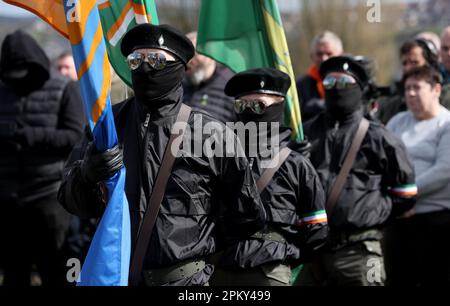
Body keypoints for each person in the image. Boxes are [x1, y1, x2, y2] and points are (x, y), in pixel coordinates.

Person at [58, 24, 266, 286]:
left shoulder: (213, 134)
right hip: (116, 277)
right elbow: (69, 200)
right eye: (136, 60)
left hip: (186, 283)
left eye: (156, 60)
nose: (144, 68)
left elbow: (246, 216)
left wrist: (199, 254)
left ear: (179, 66)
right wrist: (86, 175)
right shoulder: (106, 128)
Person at [298, 56, 417, 286]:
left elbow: (406, 193)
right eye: (330, 83)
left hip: (359, 251)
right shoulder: (305, 133)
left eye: (344, 83)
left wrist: (369, 211)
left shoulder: (379, 137)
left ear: (359, 89)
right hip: (311, 252)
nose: (336, 88)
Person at [209, 68, 328, 286]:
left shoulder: (297, 165)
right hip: (220, 270)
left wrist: (283, 257)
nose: (248, 111)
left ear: (278, 105)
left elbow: (316, 231)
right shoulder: (219, 158)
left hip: (270, 272)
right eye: (240, 105)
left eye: (258, 105)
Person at [0, 30, 85, 286]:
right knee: (14, 272)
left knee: (55, 270)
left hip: (49, 197)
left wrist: (32, 136)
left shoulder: (64, 88)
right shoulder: (3, 90)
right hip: (8, 199)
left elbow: (75, 137)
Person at [385, 65, 450, 286]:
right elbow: (381, 162)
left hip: (435, 218)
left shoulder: (446, 123)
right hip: (398, 217)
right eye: (407, 88)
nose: (410, 93)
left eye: (417, 87)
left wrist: (405, 195)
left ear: (436, 89)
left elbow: (444, 171)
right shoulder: (397, 122)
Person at [377, 37, 450, 123]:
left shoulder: (446, 95)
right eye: (405, 63)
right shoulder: (393, 100)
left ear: (429, 63)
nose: (408, 68)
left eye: (414, 62)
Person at [182, 32, 236, 123]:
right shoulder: (176, 88)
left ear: (210, 54)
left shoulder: (231, 90)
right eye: (185, 55)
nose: (189, 61)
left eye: (194, 54)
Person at [296, 31, 344, 122]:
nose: (324, 59)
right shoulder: (299, 86)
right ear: (311, 56)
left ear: (340, 56)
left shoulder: (351, 84)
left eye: (329, 54)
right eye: (319, 54)